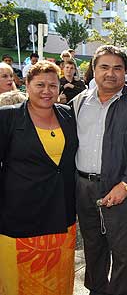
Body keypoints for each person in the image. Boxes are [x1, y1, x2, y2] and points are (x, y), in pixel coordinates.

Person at [72, 45, 127, 295]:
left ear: (125, 72)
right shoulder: (78, 102)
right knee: (93, 246)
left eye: (117, 68)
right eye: (104, 67)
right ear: (94, 70)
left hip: (121, 187)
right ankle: (96, 290)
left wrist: (126, 185)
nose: (111, 73)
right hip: (84, 187)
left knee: (123, 251)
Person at [0, 60, 78, 295]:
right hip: (20, 216)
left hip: (61, 214)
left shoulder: (67, 114)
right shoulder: (7, 117)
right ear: (26, 84)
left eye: (53, 86)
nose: (47, 91)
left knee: (58, 279)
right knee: (20, 282)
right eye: (40, 84)